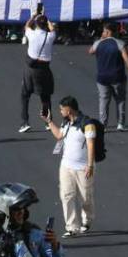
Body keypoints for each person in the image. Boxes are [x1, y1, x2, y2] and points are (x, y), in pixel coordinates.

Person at [45, 96, 99, 237]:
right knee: (66, 195)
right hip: (66, 166)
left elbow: (91, 144)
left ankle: (86, 221)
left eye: (62, 109)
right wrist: (49, 122)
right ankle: (71, 227)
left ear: (69, 110)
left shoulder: (88, 124)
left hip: (83, 167)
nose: (60, 111)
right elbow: (59, 136)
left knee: (85, 197)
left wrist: (90, 165)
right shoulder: (66, 123)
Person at [88, 23, 128, 131]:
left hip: (102, 78)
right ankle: (120, 124)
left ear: (108, 32)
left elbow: (90, 51)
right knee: (120, 100)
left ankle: (103, 124)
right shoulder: (120, 44)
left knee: (103, 101)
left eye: (104, 31)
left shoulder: (98, 43)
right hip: (118, 77)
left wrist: (100, 39)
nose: (102, 33)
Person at [18, 11, 56, 134]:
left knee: (25, 95)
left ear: (36, 24)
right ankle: (48, 121)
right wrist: (47, 18)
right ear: (45, 24)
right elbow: (52, 28)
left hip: (31, 68)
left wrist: (33, 16)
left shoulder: (32, 34)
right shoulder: (50, 36)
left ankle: (25, 123)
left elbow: (27, 26)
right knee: (45, 96)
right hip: (44, 68)